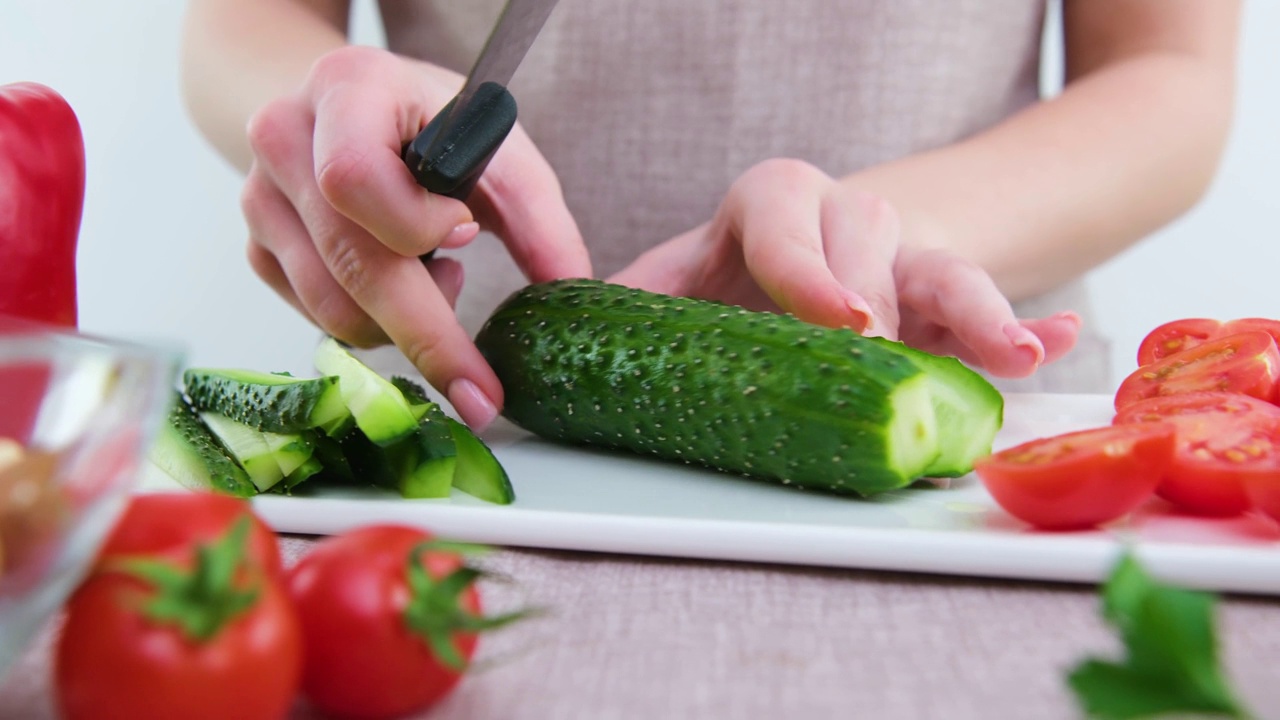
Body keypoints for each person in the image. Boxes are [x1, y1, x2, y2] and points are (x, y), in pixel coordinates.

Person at [179, 1, 1239, 431]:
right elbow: (242, 24)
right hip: (475, 407)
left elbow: (1170, 70)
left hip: (947, 385)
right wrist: (320, 111)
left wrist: (872, 228)